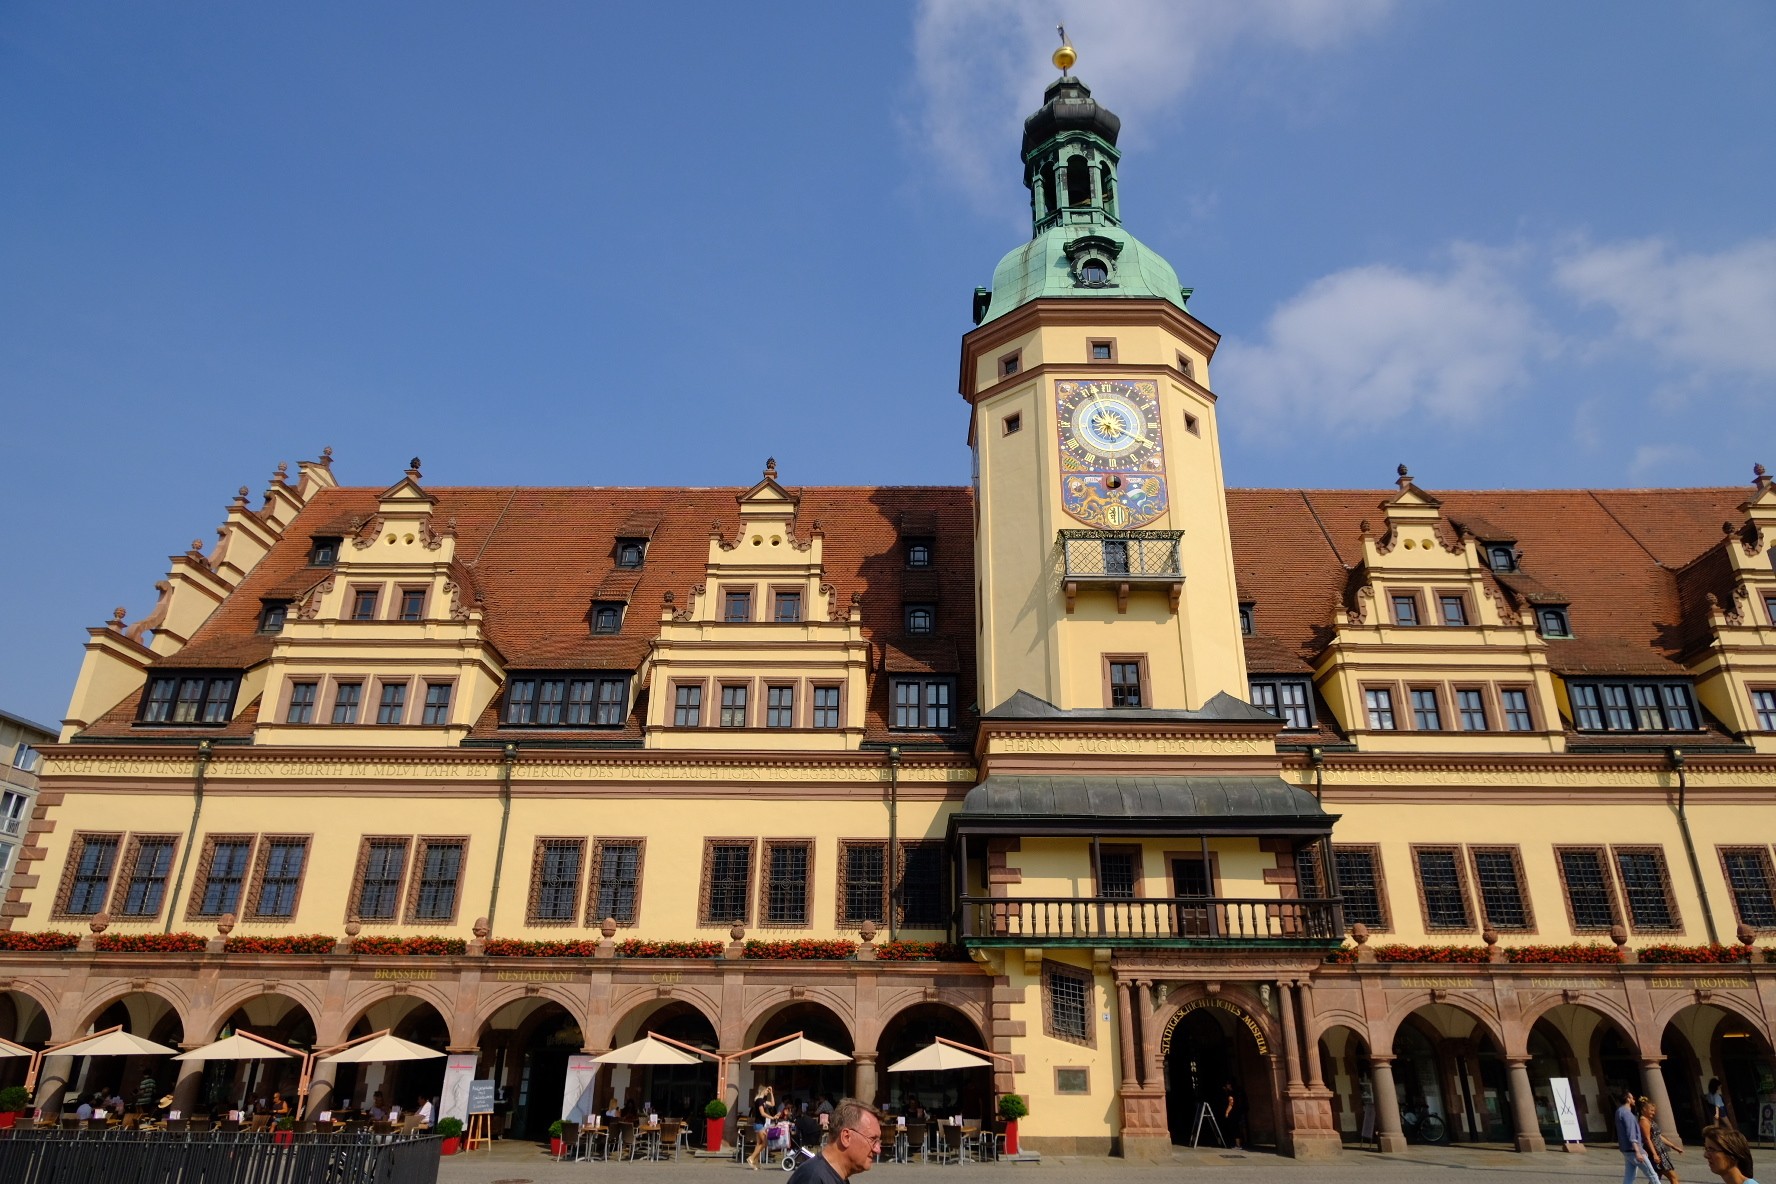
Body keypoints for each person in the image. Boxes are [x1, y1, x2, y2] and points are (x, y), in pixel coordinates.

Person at [787, 1098, 881, 1184]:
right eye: (873, 1139)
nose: (878, 1150)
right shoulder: (812, 1178)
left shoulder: (837, 1176)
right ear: (846, 1137)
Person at [1639, 1097, 1683, 1184]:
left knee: (1656, 1178)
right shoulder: (1644, 1121)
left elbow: (1659, 1136)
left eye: (1654, 1111)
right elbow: (1647, 1139)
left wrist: (1674, 1147)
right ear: (1644, 1109)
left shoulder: (1650, 1120)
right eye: (1651, 1110)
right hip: (1656, 1152)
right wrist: (1655, 1154)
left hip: (1660, 1151)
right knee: (1673, 1177)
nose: (1653, 1112)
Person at [1620, 1087, 1659, 1184]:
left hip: (1627, 1149)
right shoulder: (1627, 1114)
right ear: (1628, 1099)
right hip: (1634, 1150)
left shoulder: (1619, 1112)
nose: (1633, 1100)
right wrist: (1638, 1151)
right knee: (1652, 1174)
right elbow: (1631, 1134)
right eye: (1632, 1098)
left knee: (1629, 1177)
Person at [747, 1085, 777, 1169]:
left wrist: (771, 1093)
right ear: (762, 1091)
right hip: (759, 1124)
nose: (767, 1092)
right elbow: (762, 1113)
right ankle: (751, 1158)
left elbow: (772, 1104)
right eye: (766, 1091)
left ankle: (755, 1162)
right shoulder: (759, 1101)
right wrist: (772, 1117)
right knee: (764, 1143)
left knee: (759, 1144)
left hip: (759, 1124)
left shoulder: (762, 1101)